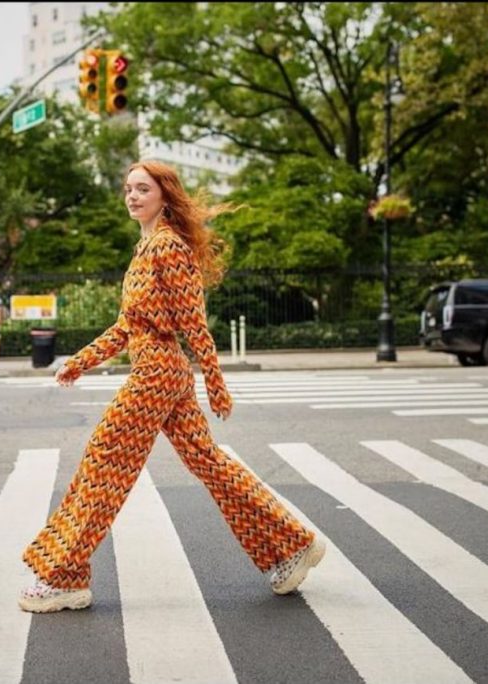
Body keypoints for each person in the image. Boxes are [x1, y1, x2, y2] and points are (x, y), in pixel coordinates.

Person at [19, 161, 324, 613]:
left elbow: (193, 322)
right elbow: (126, 326)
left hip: (157, 373)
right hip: (160, 370)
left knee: (104, 463)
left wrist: (216, 382)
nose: (132, 196)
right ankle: (289, 547)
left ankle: (65, 576)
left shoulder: (168, 248)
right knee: (208, 463)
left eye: (143, 188)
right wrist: (80, 362)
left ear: (165, 194)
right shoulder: (145, 248)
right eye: (128, 188)